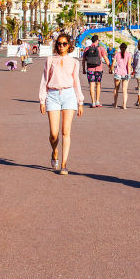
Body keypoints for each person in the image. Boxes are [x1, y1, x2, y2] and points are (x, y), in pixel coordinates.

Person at [38, 32, 84, 175]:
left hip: (69, 95)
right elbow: (44, 80)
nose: (61, 46)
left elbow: (76, 82)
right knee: (54, 134)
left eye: (64, 43)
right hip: (52, 95)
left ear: (69, 45)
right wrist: (42, 99)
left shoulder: (75, 62)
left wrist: (80, 101)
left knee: (66, 131)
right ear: (56, 45)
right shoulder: (50, 60)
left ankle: (64, 164)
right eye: (59, 43)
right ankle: (54, 150)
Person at [82, 36, 108, 108]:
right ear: (97, 41)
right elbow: (105, 58)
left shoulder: (87, 49)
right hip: (99, 69)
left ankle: (93, 102)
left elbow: (84, 60)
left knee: (91, 85)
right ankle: (97, 101)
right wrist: (110, 67)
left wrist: (83, 69)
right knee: (98, 85)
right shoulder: (100, 48)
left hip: (90, 69)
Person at [109, 42, 132, 109]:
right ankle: (124, 105)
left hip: (118, 73)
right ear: (126, 48)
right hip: (125, 73)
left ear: (120, 48)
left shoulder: (117, 54)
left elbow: (113, 64)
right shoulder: (129, 55)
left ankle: (115, 104)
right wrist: (129, 73)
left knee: (116, 89)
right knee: (125, 90)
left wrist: (111, 69)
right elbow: (129, 65)